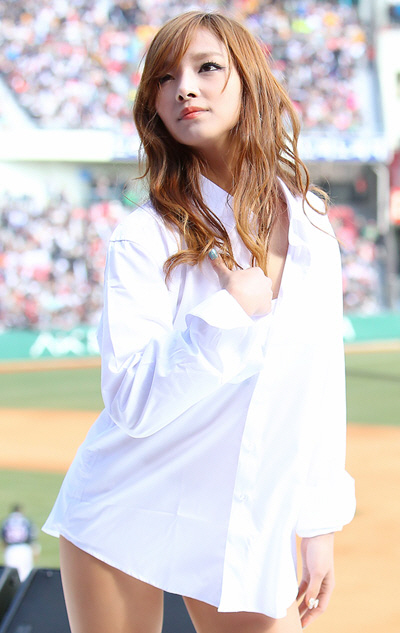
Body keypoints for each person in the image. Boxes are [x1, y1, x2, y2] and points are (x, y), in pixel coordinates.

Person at [43, 11, 356, 633]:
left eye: (207, 67)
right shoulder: (143, 236)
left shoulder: (312, 225)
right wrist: (228, 313)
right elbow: (132, 404)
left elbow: (318, 383)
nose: (184, 87)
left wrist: (317, 526)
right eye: (164, 78)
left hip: (238, 522)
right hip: (127, 506)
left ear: (248, 81)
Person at [2, 504, 38, 581]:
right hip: (24, 548)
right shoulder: (26, 520)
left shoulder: (6, 521)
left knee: (11, 576)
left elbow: (3, 538)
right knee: (26, 575)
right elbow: (32, 537)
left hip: (11, 549)